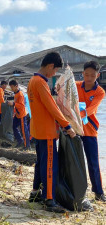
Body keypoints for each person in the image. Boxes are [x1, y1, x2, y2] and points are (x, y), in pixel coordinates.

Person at [27, 52, 76, 213]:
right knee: (50, 165)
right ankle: (50, 200)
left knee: (40, 162)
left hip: (37, 129)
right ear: (50, 66)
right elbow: (52, 107)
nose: (54, 74)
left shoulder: (32, 81)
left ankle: (35, 193)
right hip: (46, 132)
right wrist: (67, 126)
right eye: (55, 70)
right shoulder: (40, 83)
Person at [76, 61, 106, 202]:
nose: (88, 78)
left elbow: (92, 109)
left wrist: (79, 114)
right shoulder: (75, 85)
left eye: (92, 75)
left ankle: (98, 192)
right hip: (74, 129)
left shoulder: (100, 92)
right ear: (82, 74)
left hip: (89, 129)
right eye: (86, 74)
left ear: (97, 75)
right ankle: (73, 188)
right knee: (73, 159)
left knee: (93, 162)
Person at [8, 79, 30, 150]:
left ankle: (27, 146)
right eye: (10, 87)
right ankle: (20, 140)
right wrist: (14, 112)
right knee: (14, 126)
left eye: (12, 87)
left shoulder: (20, 94)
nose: (11, 88)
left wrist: (13, 104)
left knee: (24, 130)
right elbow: (16, 105)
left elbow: (21, 105)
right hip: (17, 115)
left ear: (16, 86)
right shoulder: (16, 94)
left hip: (21, 115)